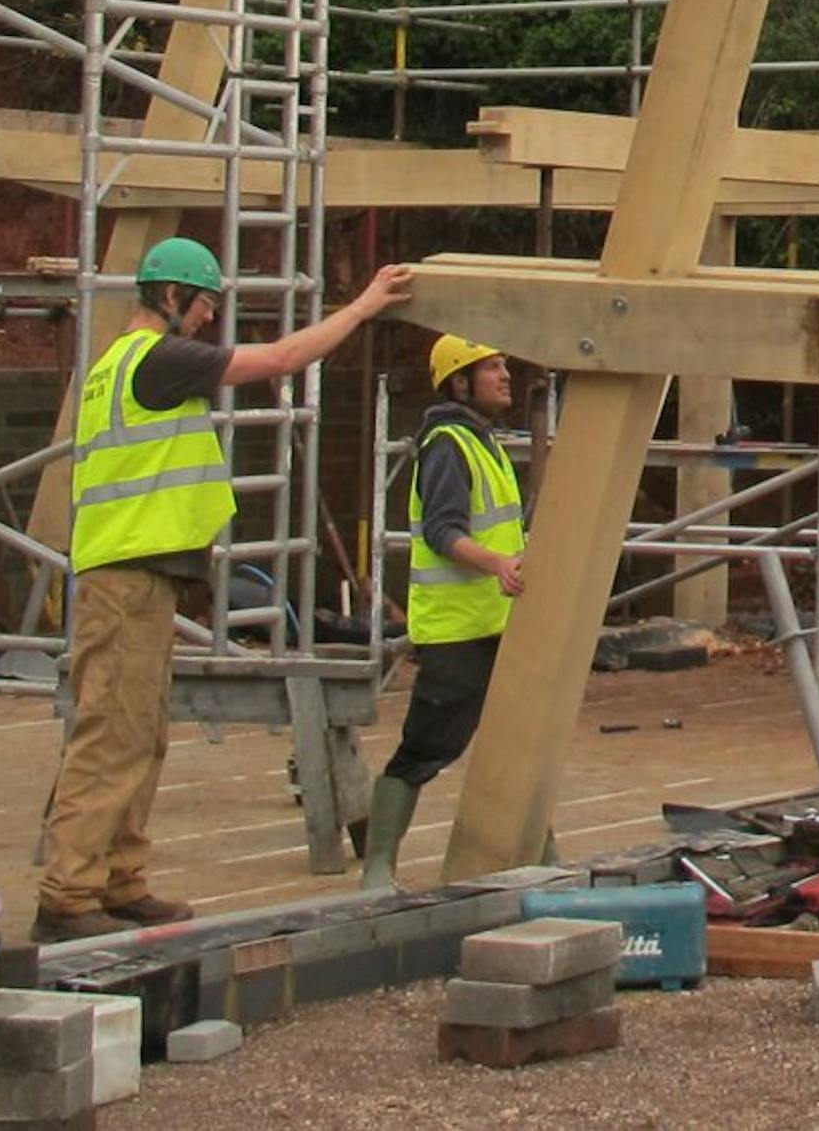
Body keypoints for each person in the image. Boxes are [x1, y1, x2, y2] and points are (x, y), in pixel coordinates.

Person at [37, 238, 412, 943]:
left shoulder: (119, 366)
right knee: (111, 737)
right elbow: (279, 360)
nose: (209, 318)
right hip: (124, 581)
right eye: (205, 303)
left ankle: (118, 878)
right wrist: (361, 306)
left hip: (138, 577)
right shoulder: (157, 359)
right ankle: (68, 892)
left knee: (140, 738)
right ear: (171, 296)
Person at [359, 320, 526, 881]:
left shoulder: (485, 444)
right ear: (459, 384)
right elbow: (442, 531)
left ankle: (536, 852)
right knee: (427, 746)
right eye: (492, 367)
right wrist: (499, 564)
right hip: (458, 628)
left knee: (519, 742)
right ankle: (378, 864)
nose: (506, 375)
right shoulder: (448, 446)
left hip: (495, 621)